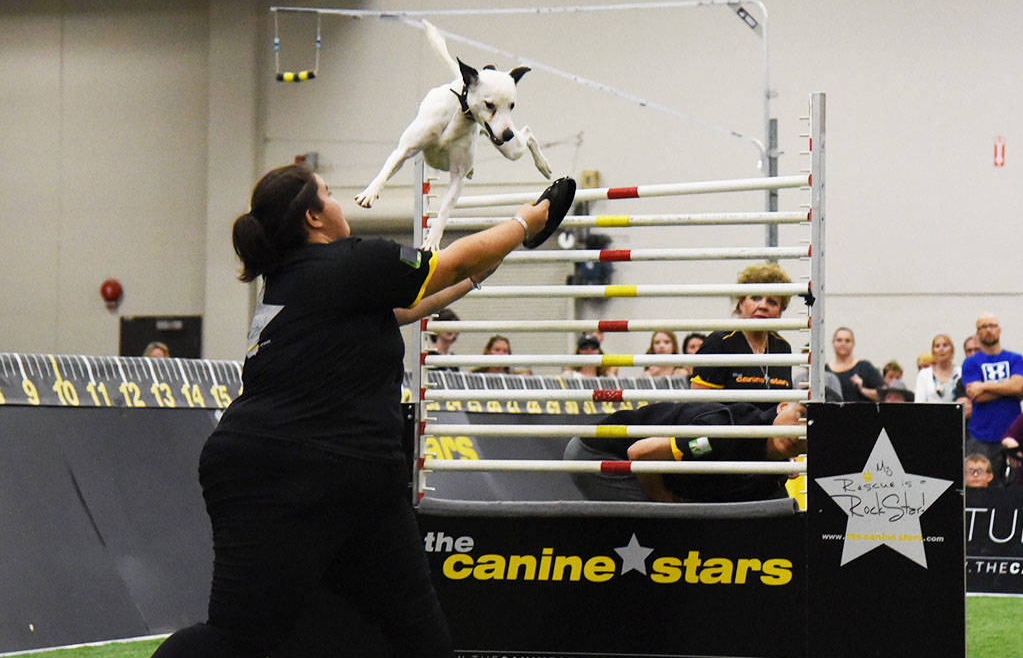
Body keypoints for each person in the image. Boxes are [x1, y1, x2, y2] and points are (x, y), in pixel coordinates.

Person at [151, 162, 561, 658]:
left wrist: (500, 251)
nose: (341, 203)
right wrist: (525, 222)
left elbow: (419, 300)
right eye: (330, 194)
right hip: (283, 471)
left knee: (415, 639)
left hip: (356, 478)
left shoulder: (303, 280)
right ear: (313, 218)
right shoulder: (349, 263)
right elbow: (444, 266)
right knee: (241, 640)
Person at [562, 400, 806, 502]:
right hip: (599, 454)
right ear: (782, 407)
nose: (800, 430)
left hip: (642, 460)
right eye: (800, 416)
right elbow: (641, 453)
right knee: (673, 523)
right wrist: (665, 501)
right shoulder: (722, 434)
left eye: (810, 428)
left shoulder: (777, 469)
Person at [691, 263, 795, 411]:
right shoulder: (720, 343)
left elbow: (784, 406)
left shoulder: (782, 347)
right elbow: (699, 407)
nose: (763, 306)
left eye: (772, 302)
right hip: (728, 431)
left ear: (780, 311)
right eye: (756, 298)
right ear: (741, 302)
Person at [961, 313, 1023, 484]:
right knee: (981, 485)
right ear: (977, 333)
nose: (989, 330)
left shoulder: (1015, 359)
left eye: (992, 326)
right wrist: (1010, 389)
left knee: (1014, 484)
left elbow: (1018, 385)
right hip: (981, 436)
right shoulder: (970, 363)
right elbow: (978, 397)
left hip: (1013, 434)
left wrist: (984, 385)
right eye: (984, 327)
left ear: (999, 330)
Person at [825, 326, 884, 403]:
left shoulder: (865, 367)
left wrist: (862, 389)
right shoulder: (824, 370)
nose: (843, 344)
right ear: (833, 343)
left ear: (853, 344)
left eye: (847, 340)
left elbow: (883, 395)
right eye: (839, 340)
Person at [913, 334, 960, 404]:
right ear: (933, 352)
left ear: (952, 350)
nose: (941, 349)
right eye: (937, 346)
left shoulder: (961, 372)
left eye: (945, 345)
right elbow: (919, 402)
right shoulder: (924, 374)